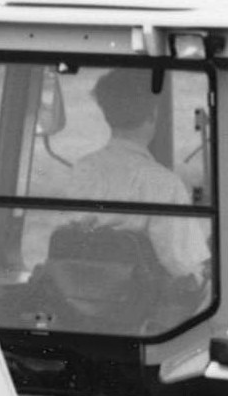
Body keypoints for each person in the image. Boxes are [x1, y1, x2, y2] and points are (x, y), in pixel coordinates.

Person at [34, 67, 208, 282]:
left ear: (107, 116)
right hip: (138, 305)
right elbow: (182, 264)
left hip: (79, 296)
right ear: (153, 115)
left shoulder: (82, 170)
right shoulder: (164, 184)